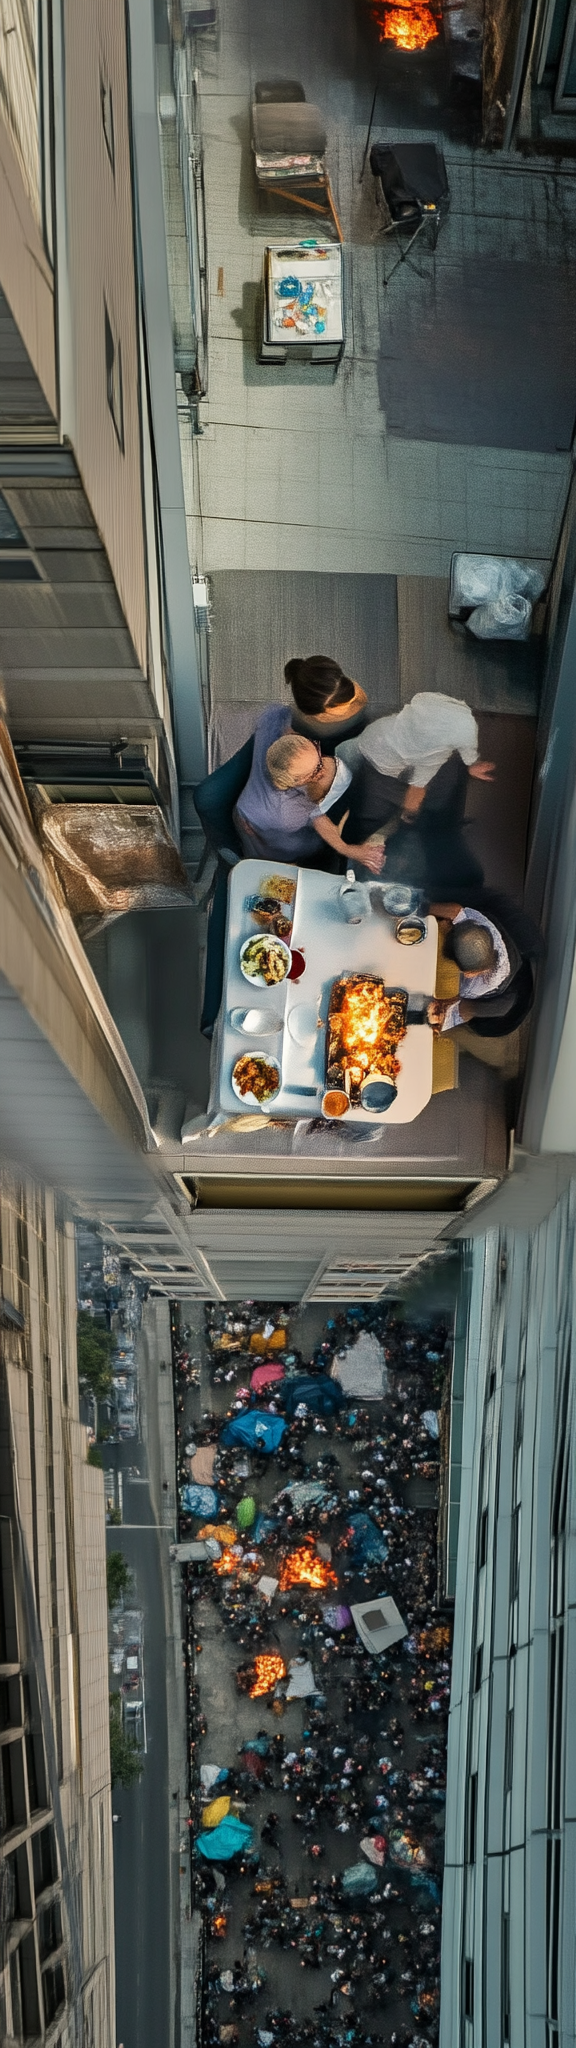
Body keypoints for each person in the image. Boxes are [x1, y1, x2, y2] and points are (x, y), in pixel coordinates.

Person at [266, 733, 384, 874]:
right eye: (314, 773)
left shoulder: (345, 755)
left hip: (352, 798)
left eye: (319, 758)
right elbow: (318, 819)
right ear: (296, 782)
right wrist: (348, 850)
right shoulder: (297, 797)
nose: (323, 768)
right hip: (330, 819)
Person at [426, 895, 542, 1037]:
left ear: (469, 973)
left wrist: (437, 1018)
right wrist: (423, 908)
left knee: (474, 1023)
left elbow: (460, 1011)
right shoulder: (483, 927)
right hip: (516, 952)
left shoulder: (499, 1003)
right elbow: (456, 911)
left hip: (504, 1014)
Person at [285, 655, 368, 745]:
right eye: (336, 705)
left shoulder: (352, 691)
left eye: (346, 684)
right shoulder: (309, 725)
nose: (350, 705)